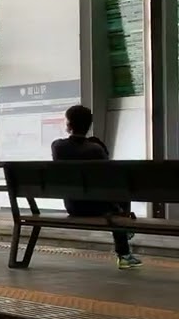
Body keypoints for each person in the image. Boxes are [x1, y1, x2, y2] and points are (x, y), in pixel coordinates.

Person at [50, 105, 142, 269]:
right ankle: (124, 253)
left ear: (68, 125)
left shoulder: (58, 146)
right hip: (98, 207)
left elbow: (70, 148)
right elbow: (108, 173)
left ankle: (124, 225)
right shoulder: (95, 149)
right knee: (119, 200)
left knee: (114, 205)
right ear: (89, 126)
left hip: (73, 205)